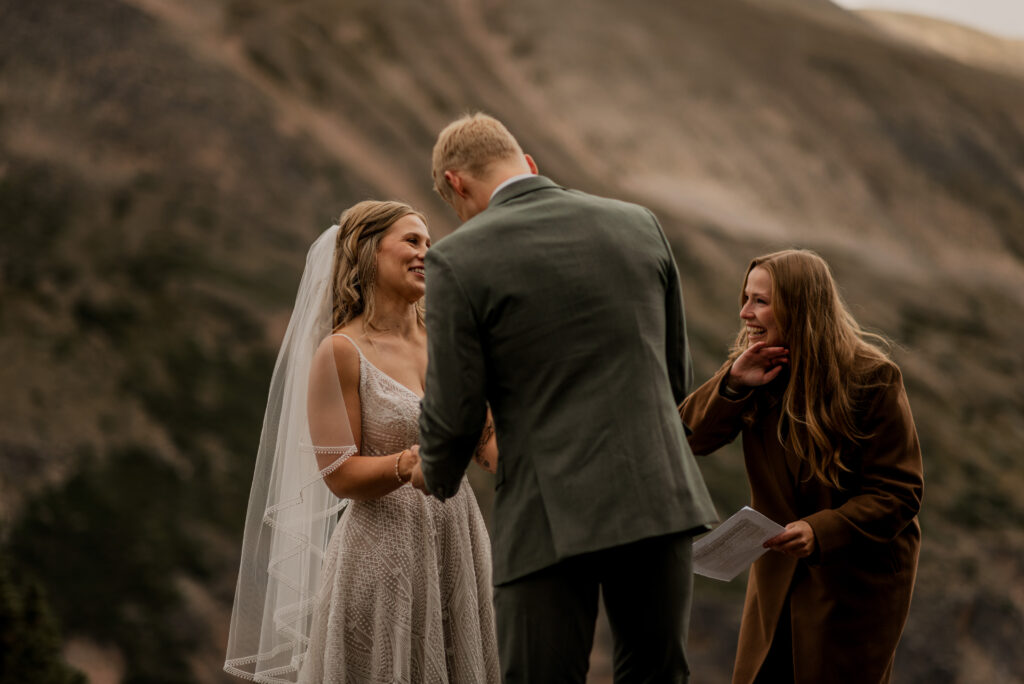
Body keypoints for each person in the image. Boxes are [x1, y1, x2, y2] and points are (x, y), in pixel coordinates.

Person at [409, 113, 717, 683]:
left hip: (548, 510)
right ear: (527, 163)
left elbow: (455, 410)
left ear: (456, 183)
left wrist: (436, 472)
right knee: (657, 675)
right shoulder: (638, 224)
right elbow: (674, 375)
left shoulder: (456, 258)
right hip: (657, 493)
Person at [223, 200, 500, 683]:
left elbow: (487, 443)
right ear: (368, 251)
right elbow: (340, 475)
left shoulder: (452, 340)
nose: (426, 254)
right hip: (383, 555)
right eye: (412, 241)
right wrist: (406, 465)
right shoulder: (340, 351)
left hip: (458, 544)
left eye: (430, 244)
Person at [679, 249, 923, 684]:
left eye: (760, 301)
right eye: (746, 297)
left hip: (852, 582)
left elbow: (899, 493)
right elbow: (687, 438)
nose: (744, 312)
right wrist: (732, 383)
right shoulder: (754, 368)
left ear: (799, 305)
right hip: (775, 575)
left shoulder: (874, 377)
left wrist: (821, 530)